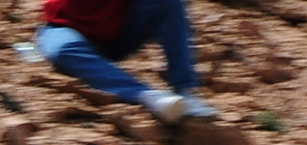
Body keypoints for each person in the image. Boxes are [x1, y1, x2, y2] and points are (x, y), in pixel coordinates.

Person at [24, 0, 213, 125]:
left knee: (169, 3)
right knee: (62, 50)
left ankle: (186, 90)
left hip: (118, 31)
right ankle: (147, 95)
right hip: (67, 28)